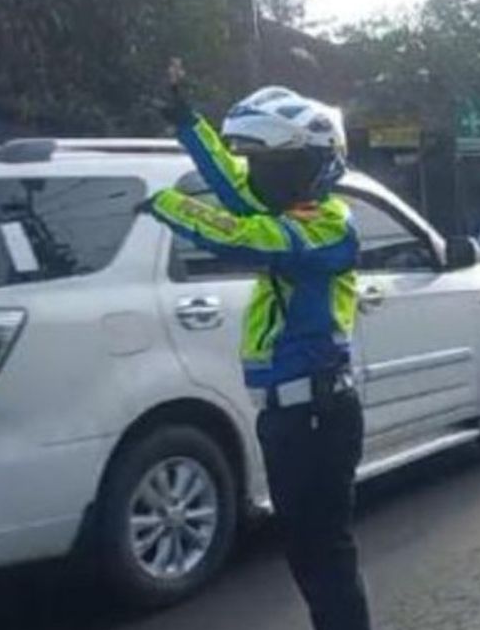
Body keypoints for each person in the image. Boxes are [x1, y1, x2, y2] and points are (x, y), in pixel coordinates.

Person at [143, 61, 371, 630]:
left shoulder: (328, 229)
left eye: (277, 164)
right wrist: (187, 121)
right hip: (293, 416)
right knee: (310, 556)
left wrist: (165, 204)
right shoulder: (290, 208)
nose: (263, 175)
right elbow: (234, 186)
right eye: (262, 163)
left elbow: (242, 232)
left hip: (317, 415)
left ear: (316, 167)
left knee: (325, 558)